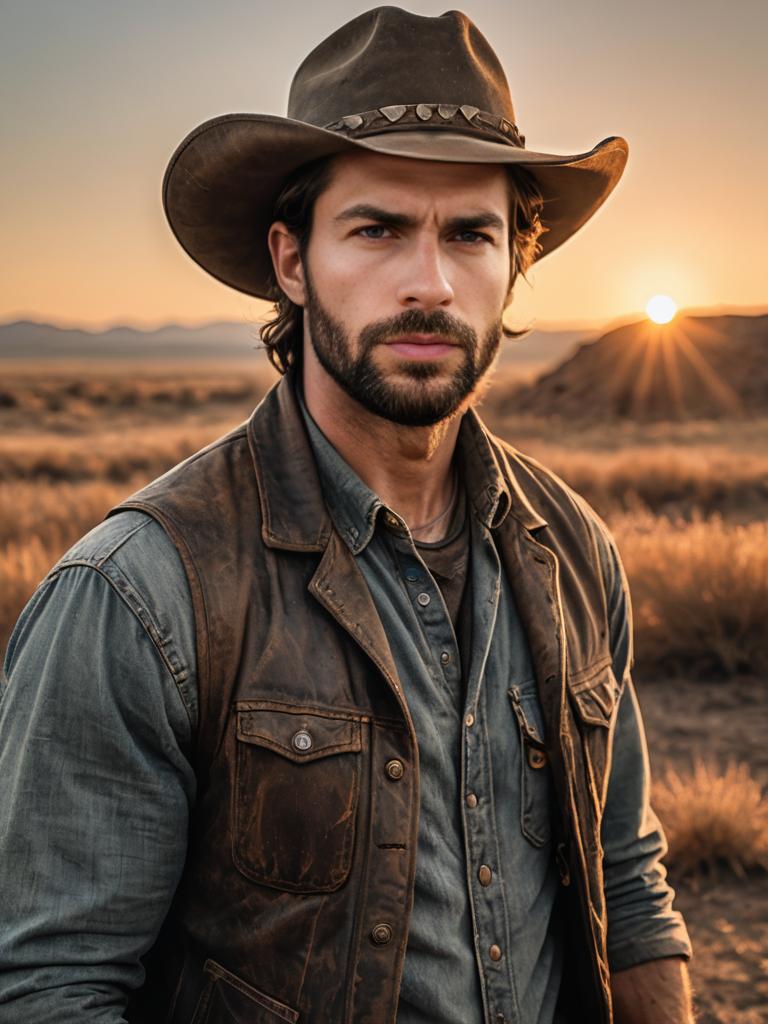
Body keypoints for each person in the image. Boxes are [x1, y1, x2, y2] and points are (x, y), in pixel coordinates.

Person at [0, 7, 693, 1023]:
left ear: (516, 266)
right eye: (377, 228)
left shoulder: (572, 550)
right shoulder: (139, 592)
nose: (430, 281)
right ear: (292, 260)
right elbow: (53, 986)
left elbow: (626, 888)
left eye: (472, 233)